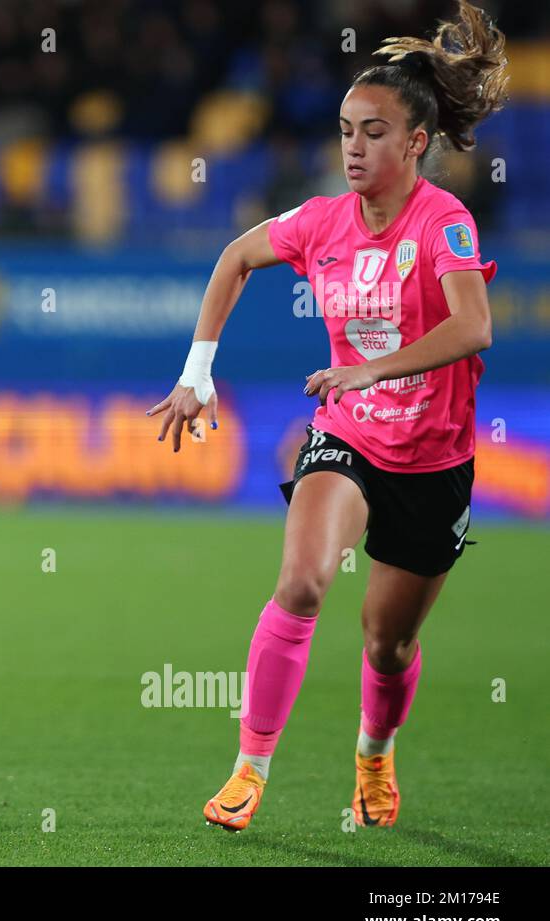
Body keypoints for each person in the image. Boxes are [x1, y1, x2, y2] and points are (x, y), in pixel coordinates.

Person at [146, 0, 507, 831]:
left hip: (436, 459)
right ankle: (248, 770)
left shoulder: (442, 222)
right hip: (348, 436)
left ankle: (374, 756)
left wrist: (368, 367)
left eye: (374, 131)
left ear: (416, 143)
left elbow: (474, 325)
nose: (353, 145)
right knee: (303, 583)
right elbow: (237, 257)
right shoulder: (320, 223)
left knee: (388, 645)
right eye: (346, 128)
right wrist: (197, 372)